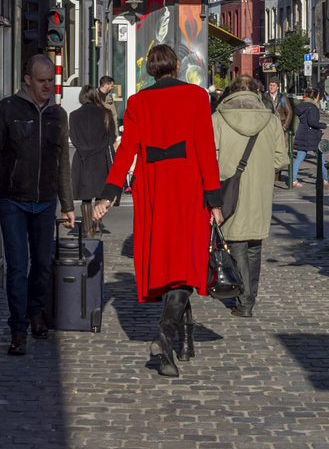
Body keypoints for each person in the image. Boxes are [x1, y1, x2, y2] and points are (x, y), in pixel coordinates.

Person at [93, 44, 221, 378]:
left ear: (150, 69)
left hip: (154, 192)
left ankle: (184, 340)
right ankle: (165, 337)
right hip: (190, 189)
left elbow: (125, 153)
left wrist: (109, 194)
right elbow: (206, 148)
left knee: (171, 264)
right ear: (176, 66)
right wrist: (215, 199)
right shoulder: (196, 97)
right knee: (186, 265)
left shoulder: (138, 102)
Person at [0, 54, 74, 356]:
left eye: (51, 81)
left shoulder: (58, 115)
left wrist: (67, 204)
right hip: (12, 199)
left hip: (45, 202)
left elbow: (62, 164)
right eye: (42, 81)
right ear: (28, 80)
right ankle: (18, 329)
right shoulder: (7, 110)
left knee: (43, 264)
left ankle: (36, 314)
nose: (48, 86)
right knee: (18, 267)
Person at [211, 75, 289, 318]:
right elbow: (281, 159)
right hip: (261, 189)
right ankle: (247, 300)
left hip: (229, 189)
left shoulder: (218, 118)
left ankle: (244, 300)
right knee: (254, 244)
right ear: (257, 92)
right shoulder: (271, 119)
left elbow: (210, 158)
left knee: (236, 244)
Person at [70, 85, 115, 238]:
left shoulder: (74, 115)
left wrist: (84, 149)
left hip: (83, 158)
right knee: (99, 194)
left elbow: (74, 139)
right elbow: (111, 138)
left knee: (86, 197)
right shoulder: (106, 113)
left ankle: (88, 229)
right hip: (100, 157)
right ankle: (98, 226)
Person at [288, 85, 324, 189]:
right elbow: (312, 122)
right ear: (315, 97)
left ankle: (293, 179)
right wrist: (323, 125)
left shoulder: (301, 106)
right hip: (311, 136)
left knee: (299, 158)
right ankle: (325, 178)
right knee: (320, 157)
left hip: (302, 134)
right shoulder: (312, 107)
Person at [98, 75, 119, 140]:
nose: (112, 88)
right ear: (106, 85)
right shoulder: (94, 96)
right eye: (111, 86)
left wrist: (116, 135)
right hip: (97, 133)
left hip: (109, 134)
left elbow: (114, 116)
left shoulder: (110, 99)